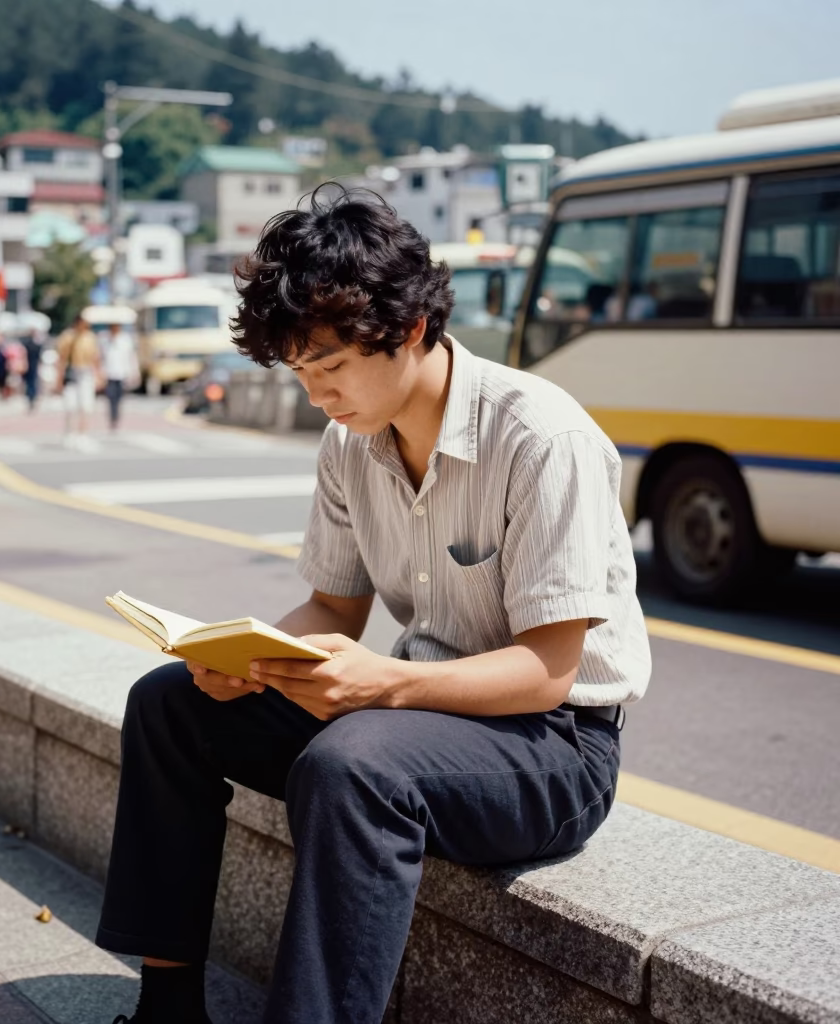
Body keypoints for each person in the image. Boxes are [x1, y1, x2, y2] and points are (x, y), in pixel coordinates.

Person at [96, 187, 652, 1024]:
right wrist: (244, 661)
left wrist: (382, 685)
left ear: (411, 328)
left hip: (554, 749)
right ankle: (167, 1009)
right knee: (168, 705)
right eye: (300, 371)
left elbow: (549, 671)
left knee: (351, 763)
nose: (317, 394)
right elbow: (332, 607)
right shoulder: (350, 444)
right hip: (416, 715)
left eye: (330, 365)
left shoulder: (541, 438)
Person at [55, 314, 102, 448]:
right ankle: (69, 433)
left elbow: (95, 358)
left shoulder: (90, 337)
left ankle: (83, 434)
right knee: (70, 405)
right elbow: (61, 359)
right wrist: (58, 379)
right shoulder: (68, 336)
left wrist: (98, 375)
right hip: (71, 373)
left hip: (86, 372)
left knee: (86, 406)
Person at [99, 322, 136, 431]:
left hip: (121, 373)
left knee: (119, 398)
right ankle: (112, 418)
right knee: (111, 397)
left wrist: (133, 372)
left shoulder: (125, 339)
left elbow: (130, 357)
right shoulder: (104, 339)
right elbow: (100, 357)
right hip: (109, 374)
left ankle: (116, 417)